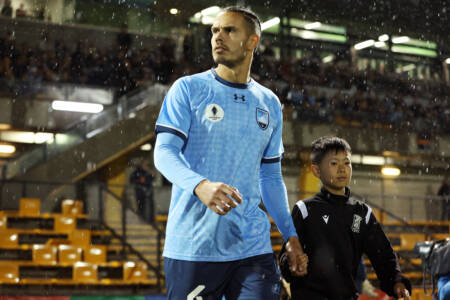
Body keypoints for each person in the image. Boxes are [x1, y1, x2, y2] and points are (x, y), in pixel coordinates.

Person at [153, 6, 307, 299]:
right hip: (193, 246)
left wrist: (291, 236)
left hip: (252, 246)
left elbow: (271, 177)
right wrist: (200, 185)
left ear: (253, 42)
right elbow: (164, 152)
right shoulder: (188, 89)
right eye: (214, 30)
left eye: (229, 30)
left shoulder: (269, 103)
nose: (217, 37)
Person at [279, 136, 411, 300]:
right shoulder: (305, 210)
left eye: (346, 162)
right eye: (334, 163)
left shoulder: (362, 213)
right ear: (316, 170)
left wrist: (396, 282)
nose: (342, 169)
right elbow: (286, 256)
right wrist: (292, 264)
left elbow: (383, 255)